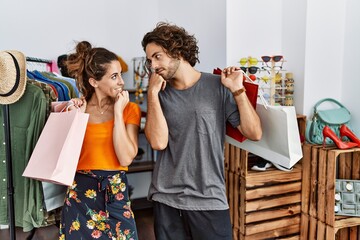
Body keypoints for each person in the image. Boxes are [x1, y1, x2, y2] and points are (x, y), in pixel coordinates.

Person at [142, 22, 262, 240]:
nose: (153, 66)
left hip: (209, 197)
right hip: (166, 198)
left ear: (176, 50)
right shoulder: (159, 93)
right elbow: (158, 143)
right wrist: (151, 93)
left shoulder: (218, 85)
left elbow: (254, 133)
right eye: (149, 60)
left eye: (157, 57)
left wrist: (238, 90)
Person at [58, 41, 140, 239]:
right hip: (80, 195)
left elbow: (126, 158)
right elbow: (64, 157)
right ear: (94, 82)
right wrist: (77, 117)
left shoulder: (130, 109)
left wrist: (118, 114)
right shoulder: (78, 109)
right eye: (114, 76)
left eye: (120, 74)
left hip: (115, 192)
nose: (121, 81)